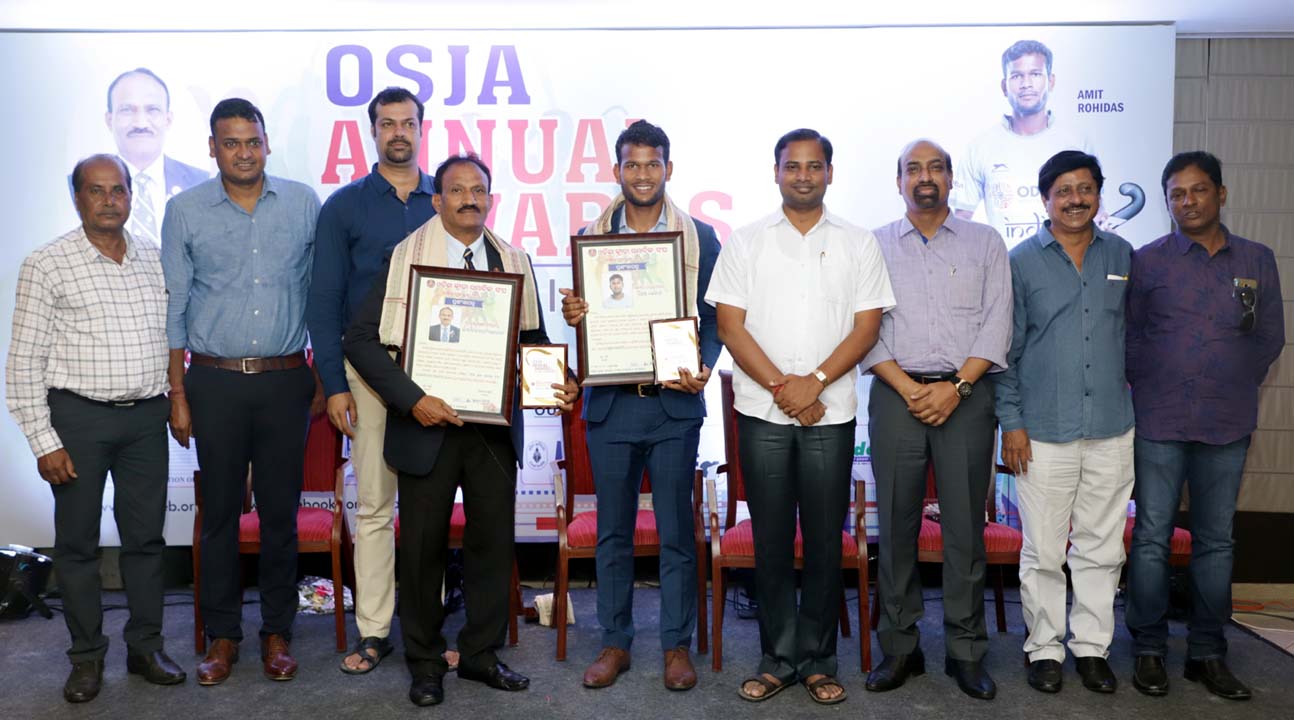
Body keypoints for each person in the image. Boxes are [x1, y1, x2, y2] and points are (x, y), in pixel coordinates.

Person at [345, 153, 579, 707]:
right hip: (426, 426)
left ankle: (478, 655)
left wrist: (558, 381)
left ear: (490, 199)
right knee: (422, 550)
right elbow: (359, 341)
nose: (469, 199)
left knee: (492, 547)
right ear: (438, 199)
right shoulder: (404, 259)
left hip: (491, 432)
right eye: (457, 190)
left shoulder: (514, 259)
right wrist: (415, 399)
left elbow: (530, 345)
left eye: (479, 190)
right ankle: (424, 662)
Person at [707, 128, 893, 705]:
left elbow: (867, 328)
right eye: (794, 166)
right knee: (768, 540)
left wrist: (812, 383)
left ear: (831, 174)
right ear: (777, 172)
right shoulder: (745, 241)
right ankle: (776, 657)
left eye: (815, 166)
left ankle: (816, 659)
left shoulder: (859, 243)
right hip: (763, 413)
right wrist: (781, 387)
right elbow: (730, 326)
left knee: (821, 539)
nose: (804, 175)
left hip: (829, 413)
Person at [7, 154, 186, 703]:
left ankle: (145, 647)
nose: (109, 200)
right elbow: (21, 363)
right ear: (77, 198)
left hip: (144, 420)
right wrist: (43, 440)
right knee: (78, 547)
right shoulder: (48, 263)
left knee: (146, 543)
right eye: (96, 190)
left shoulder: (156, 262)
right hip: (77, 420)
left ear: (131, 196)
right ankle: (86, 658)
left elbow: (172, 340)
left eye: (118, 190)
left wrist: (176, 398)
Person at [161, 98, 322, 686]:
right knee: (221, 515)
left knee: (281, 515)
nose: (244, 152)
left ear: (267, 143)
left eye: (252, 141)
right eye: (230, 142)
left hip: (285, 380)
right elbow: (174, 307)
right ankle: (222, 637)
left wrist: (324, 378)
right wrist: (177, 393)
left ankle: (277, 632)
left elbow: (317, 297)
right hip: (214, 380)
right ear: (212, 147)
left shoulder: (304, 203)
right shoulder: (184, 211)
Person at [558, 120, 722, 693]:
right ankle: (615, 643)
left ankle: (676, 647)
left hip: (674, 407)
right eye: (632, 164)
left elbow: (716, 317)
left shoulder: (700, 236)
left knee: (677, 532)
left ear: (668, 169)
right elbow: (586, 322)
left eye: (653, 164)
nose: (643, 174)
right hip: (611, 407)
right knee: (613, 534)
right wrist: (577, 316)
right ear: (618, 170)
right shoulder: (591, 236)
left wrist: (705, 363)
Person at [1124, 151, 1285, 701]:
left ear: (1221, 193)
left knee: (1216, 543)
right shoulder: (1148, 261)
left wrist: (1229, 379)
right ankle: (1147, 649)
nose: (1187, 202)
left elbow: (1269, 339)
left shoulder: (1258, 260)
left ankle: (1207, 654)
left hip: (1228, 420)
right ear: (1167, 201)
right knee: (1150, 539)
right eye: (1176, 194)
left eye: (1197, 191)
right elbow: (1133, 338)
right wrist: (1156, 387)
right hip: (1160, 421)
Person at [863, 139, 1012, 701]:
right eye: (913, 169)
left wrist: (956, 388)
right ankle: (900, 650)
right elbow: (864, 329)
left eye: (936, 168)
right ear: (898, 180)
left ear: (951, 178)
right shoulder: (872, 246)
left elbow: (998, 322)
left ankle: (966, 651)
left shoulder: (986, 242)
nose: (925, 177)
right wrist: (907, 388)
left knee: (964, 530)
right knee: (896, 527)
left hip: (967, 397)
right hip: (895, 394)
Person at [305, 86, 439, 675]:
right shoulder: (345, 206)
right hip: (368, 372)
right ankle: (375, 630)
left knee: (430, 507)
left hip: (439, 371)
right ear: (373, 131)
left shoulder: (449, 197)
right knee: (377, 507)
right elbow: (325, 300)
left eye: (408, 123)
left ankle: (426, 628)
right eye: (387, 124)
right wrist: (333, 384)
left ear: (421, 127)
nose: (399, 133)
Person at [995, 150, 1134, 695]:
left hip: (1111, 426)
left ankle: (1092, 648)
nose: (1075, 199)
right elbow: (1005, 350)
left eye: (1086, 189)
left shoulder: (1122, 254)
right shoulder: (1020, 261)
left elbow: (1135, 337)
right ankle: (1045, 649)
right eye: (1063, 191)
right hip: (1041, 432)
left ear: (1098, 193)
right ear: (1046, 198)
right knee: (1045, 550)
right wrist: (1012, 423)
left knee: (1102, 547)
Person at [953, 40, 1097, 244]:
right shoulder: (980, 147)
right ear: (1004, 86)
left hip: (1066, 268)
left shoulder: (1076, 142)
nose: (1026, 84)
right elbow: (961, 219)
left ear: (1051, 81)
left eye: (1035, 74)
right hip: (1004, 270)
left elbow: (1096, 211)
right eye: (1017, 76)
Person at [98, 68, 209, 246]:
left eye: (152, 110)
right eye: (127, 110)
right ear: (109, 120)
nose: (140, 123)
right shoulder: (81, 187)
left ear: (168, 119)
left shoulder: (202, 183)